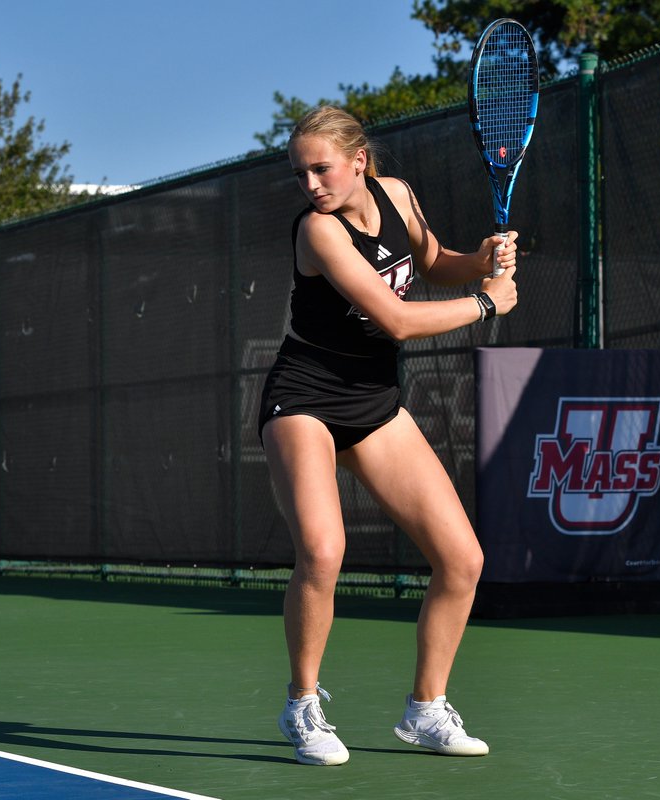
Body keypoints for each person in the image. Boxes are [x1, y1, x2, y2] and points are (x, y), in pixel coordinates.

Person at [258, 106, 519, 767]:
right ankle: (302, 704)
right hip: (305, 398)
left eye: (321, 169)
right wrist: (489, 301)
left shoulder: (398, 195)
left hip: (373, 401)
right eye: (300, 174)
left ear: (358, 162)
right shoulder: (318, 233)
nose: (311, 183)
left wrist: (483, 260)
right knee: (323, 552)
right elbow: (398, 319)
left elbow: (434, 263)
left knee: (462, 560)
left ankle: (427, 709)